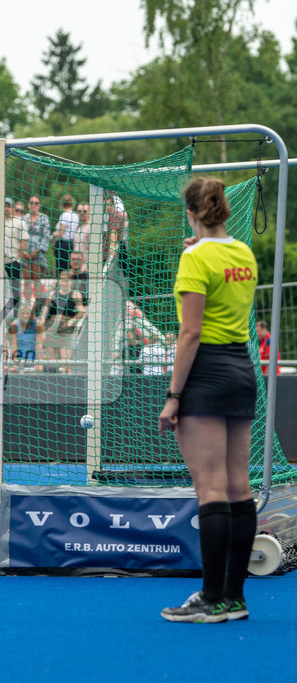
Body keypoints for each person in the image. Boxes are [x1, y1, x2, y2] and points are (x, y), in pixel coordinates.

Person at [157, 178, 259, 623]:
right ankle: (233, 598)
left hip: (207, 374)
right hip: (242, 369)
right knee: (239, 487)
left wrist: (173, 395)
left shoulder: (194, 257)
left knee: (211, 489)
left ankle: (211, 598)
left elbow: (190, 333)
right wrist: (199, 246)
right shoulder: (242, 253)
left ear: (191, 213)